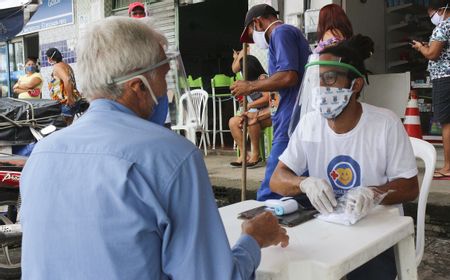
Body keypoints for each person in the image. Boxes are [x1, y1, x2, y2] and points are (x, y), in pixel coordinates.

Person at [20, 17, 289, 280]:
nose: (166, 91)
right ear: (138, 86)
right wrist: (253, 240)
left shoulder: (42, 154)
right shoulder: (172, 156)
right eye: (164, 78)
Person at [270, 35, 419, 280]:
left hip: (375, 234)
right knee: (292, 267)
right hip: (325, 232)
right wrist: (304, 183)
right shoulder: (309, 124)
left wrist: (373, 193)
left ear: (356, 85)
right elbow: (278, 179)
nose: (321, 88)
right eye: (318, 80)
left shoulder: (385, 124)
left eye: (330, 78)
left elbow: (410, 187)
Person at [230, 4, 311, 201]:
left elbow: (288, 76)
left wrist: (250, 86)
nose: (255, 42)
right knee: (299, 176)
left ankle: (260, 220)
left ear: (257, 22)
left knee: (272, 183)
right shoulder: (286, 34)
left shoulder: (280, 33)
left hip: (292, 116)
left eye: (251, 34)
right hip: (292, 113)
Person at [411, 0, 450, 179]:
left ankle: (448, 167)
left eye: (432, 14)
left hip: (444, 79)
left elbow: (432, 54)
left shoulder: (443, 26)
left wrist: (421, 48)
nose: (432, 18)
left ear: (442, 10)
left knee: (447, 123)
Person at [46, 47, 82, 125]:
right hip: (75, 100)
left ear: (50, 58)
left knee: (61, 128)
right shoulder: (67, 66)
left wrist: (70, 97)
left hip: (66, 102)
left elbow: (67, 80)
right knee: (68, 127)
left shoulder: (57, 67)